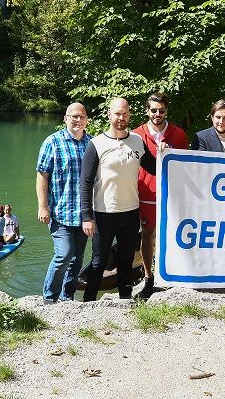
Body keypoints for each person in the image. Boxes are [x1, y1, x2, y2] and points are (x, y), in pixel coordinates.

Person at [80, 98, 157, 302]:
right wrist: (87, 216)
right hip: (104, 213)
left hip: (131, 211)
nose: (121, 118)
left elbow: (155, 167)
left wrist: (165, 152)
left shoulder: (137, 141)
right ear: (109, 115)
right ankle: (88, 302)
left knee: (126, 259)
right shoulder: (96, 144)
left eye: (124, 114)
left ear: (129, 115)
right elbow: (85, 182)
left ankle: (125, 298)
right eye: (117, 114)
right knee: (99, 262)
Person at [132, 92, 188, 298]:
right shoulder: (136, 134)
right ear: (147, 110)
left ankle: (172, 275)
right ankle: (149, 278)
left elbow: (185, 165)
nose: (157, 114)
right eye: (153, 110)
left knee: (173, 235)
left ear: (166, 111)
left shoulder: (178, 134)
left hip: (171, 194)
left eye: (161, 110)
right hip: (146, 193)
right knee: (147, 235)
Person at [37, 103, 92, 303]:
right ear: (65, 118)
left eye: (82, 116)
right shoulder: (52, 142)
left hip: (84, 214)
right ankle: (49, 297)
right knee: (64, 254)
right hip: (60, 213)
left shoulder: (92, 143)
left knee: (77, 259)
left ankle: (66, 297)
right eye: (74, 116)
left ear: (87, 120)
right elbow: (42, 176)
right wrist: (43, 206)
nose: (78, 120)